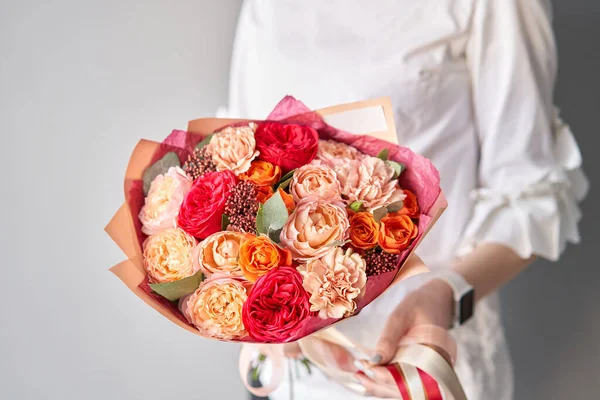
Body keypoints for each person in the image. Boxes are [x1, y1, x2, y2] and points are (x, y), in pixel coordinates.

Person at [219, 0, 589, 398]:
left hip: (416, 366)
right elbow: (236, 155)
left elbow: (532, 195)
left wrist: (447, 296)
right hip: (282, 372)